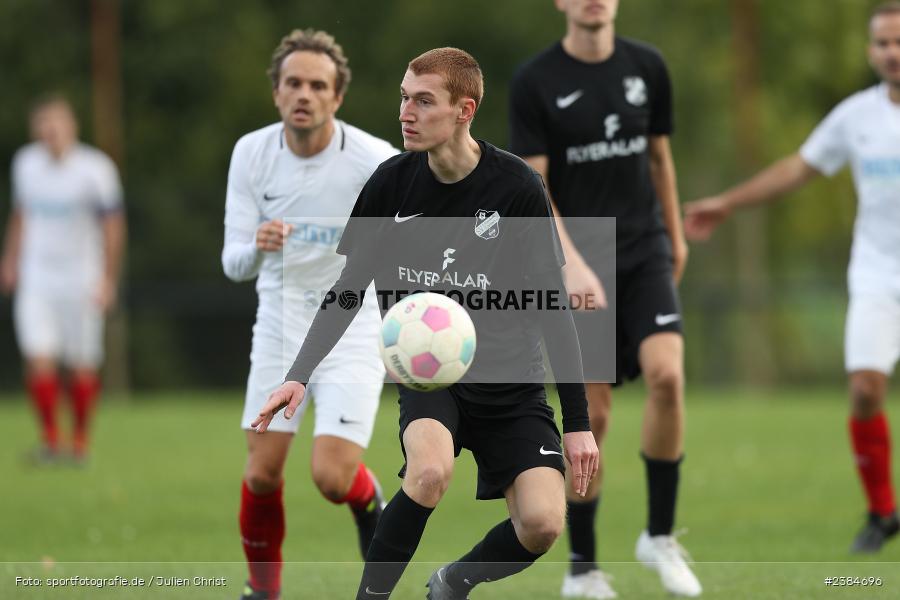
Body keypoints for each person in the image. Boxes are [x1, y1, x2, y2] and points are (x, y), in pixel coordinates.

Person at [252, 47, 600, 600]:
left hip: (512, 384)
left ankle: (452, 582)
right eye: (403, 98)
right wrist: (300, 373)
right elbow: (347, 290)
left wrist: (577, 422)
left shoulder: (516, 188)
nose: (405, 113)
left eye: (423, 100)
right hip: (430, 377)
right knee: (430, 472)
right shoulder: (389, 184)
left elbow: (553, 310)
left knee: (542, 525)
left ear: (465, 110)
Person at [684, 1, 900, 554]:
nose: (892, 52)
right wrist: (728, 204)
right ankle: (882, 513)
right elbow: (798, 166)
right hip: (878, 272)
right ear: (871, 50)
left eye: (899, 42)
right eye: (882, 42)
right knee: (864, 390)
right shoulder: (856, 116)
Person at [509, 1, 703, 597]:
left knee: (667, 376)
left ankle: (659, 537)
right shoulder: (535, 81)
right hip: (578, 250)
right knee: (593, 414)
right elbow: (537, 189)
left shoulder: (648, 66)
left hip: (644, 247)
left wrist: (673, 234)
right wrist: (571, 264)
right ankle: (584, 570)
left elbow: (660, 158)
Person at [222, 29, 397, 600]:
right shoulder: (251, 152)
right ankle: (263, 591)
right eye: (293, 82)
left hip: (351, 327)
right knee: (261, 473)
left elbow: (416, 238)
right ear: (276, 92)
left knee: (331, 478)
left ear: (337, 97)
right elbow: (233, 263)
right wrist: (258, 246)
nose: (305, 94)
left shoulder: (375, 159)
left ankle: (370, 500)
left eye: (318, 85)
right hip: (279, 329)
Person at [1, 94, 125, 465]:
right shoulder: (25, 164)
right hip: (38, 277)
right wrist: (10, 261)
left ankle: (80, 443)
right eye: (43, 123)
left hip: (82, 278)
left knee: (83, 362)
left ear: (72, 126)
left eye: (56, 122)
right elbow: (21, 215)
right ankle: (52, 442)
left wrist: (108, 278)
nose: (49, 130)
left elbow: (113, 226)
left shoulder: (95, 168)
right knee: (39, 357)